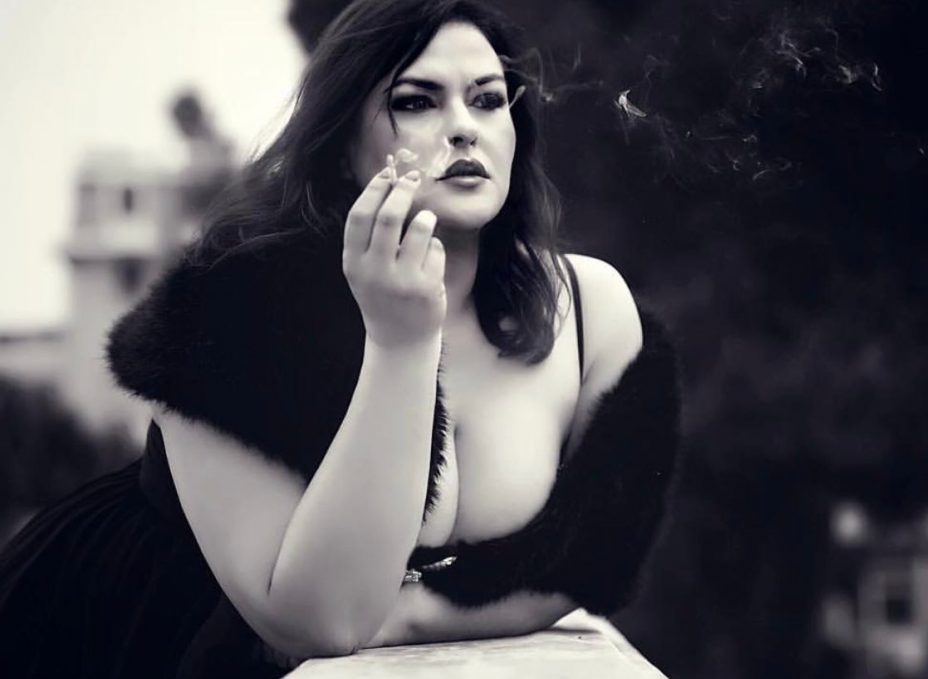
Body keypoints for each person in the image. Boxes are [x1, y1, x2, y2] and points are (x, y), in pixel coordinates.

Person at [0, 0, 681, 676]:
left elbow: (601, 559)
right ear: (343, 146)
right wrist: (400, 342)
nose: (464, 129)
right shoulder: (228, 305)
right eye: (416, 102)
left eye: (487, 99)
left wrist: (411, 615)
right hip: (124, 639)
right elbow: (320, 621)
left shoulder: (589, 309)